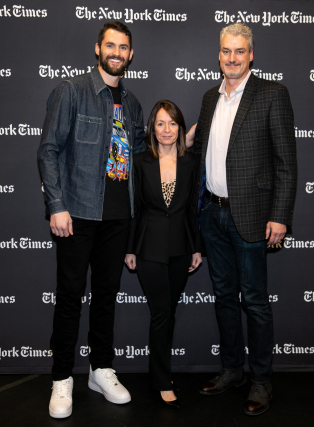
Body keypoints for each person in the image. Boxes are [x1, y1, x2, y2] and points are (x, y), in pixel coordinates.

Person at [186, 23, 297, 416]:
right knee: (224, 298)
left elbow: (286, 163)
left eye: (239, 51)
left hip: (251, 217)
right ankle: (232, 368)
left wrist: (280, 216)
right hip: (212, 216)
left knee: (255, 301)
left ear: (251, 55)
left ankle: (262, 380)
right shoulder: (207, 98)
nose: (232, 58)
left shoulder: (272, 94)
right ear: (218, 55)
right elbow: (199, 155)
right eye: (225, 51)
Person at [37, 21, 146, 419]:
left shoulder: (132, 104)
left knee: (106, 297)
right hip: (77, 212)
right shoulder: (72, 90)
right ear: (97, 49)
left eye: (124, 47)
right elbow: (48, 150)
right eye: (110, 46)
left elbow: (141, 157)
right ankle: (61, 378)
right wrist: (56, 204)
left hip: (118, 216)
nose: (117, 52)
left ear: (131, 55)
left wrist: (180, 142)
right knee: (69, 298)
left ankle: (100, 369)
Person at [125, 100, 203, 409]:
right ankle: (160, 379)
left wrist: (197, 247)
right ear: (152, 129)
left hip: (181, 248)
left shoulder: (191, 162)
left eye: (172, 123)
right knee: (160, 314)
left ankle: (160, 372)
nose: (166, 129)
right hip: (148, 247)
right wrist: (130, 248)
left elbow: (194, 210)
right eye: (160, 123)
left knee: (168, 313)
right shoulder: (140, 161)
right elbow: (135, 208)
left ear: (180, 128)